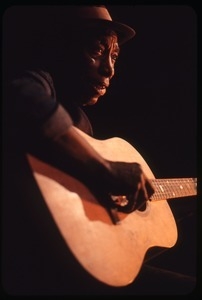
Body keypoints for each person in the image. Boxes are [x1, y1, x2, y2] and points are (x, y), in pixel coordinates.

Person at [2, 5, 197, 296]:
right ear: (59, 47)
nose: (110, 69)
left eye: (114, 56)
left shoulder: (81, 122)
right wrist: (103, 169)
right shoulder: (38, 82)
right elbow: (19, 98)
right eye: (96, 51)